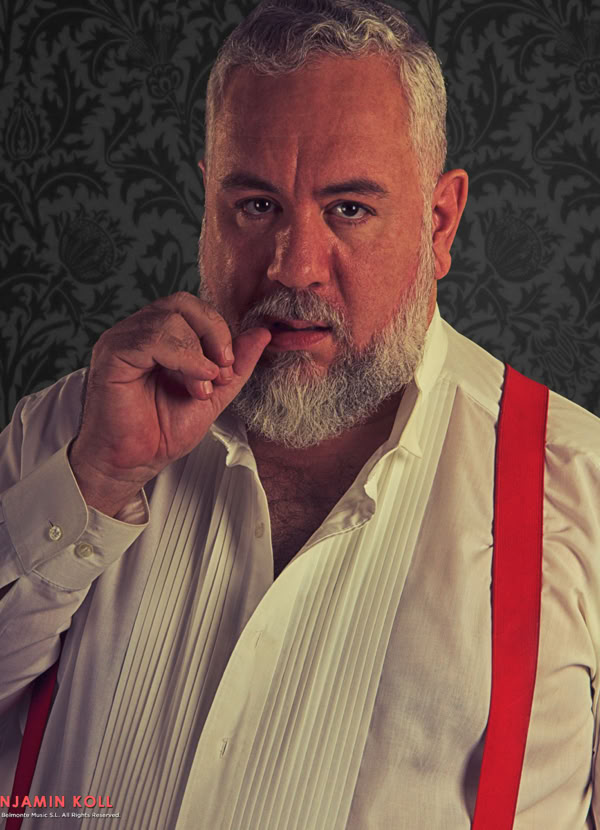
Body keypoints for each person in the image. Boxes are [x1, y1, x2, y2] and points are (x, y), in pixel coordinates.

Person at [1, 0, 599, 827]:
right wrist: (95, 483)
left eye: (349, 208)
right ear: (208, 201)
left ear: (439, 222)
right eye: (256, 206)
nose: (294, 265)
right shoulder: (68, 433)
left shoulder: (582, 490)